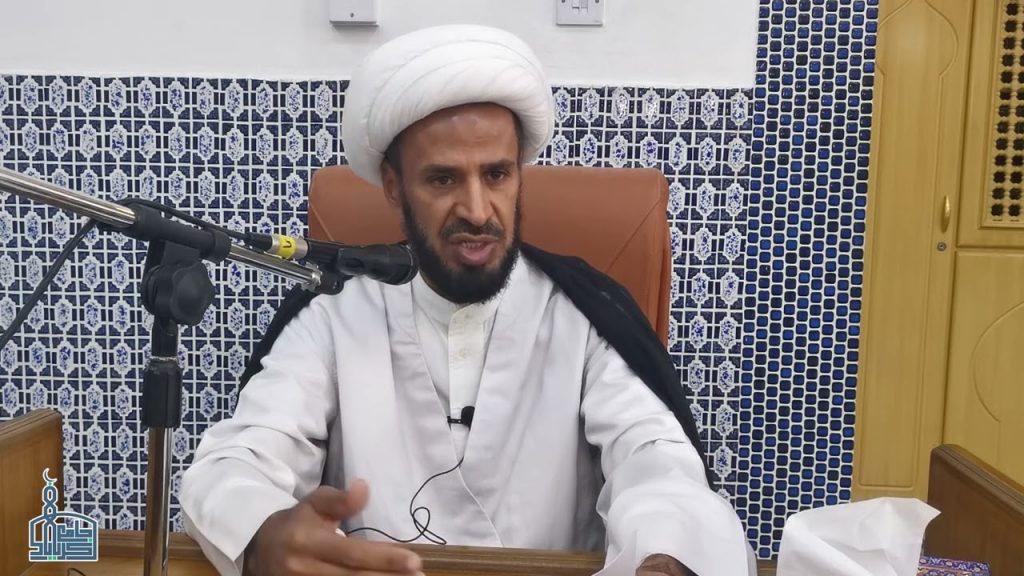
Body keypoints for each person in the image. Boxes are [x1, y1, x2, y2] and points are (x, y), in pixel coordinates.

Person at [181, 24, 755, 576]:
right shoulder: (334, 317)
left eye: (497, 175)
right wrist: (264, 533)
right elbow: (238, 461)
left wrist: (662, 557)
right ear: (394, 186)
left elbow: (655, 459)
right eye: (443, 179)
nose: (478, 211)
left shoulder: (582, 317)